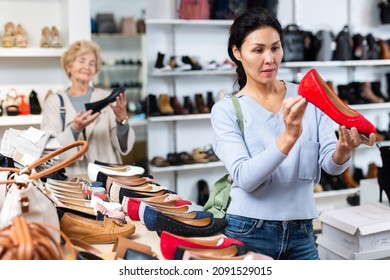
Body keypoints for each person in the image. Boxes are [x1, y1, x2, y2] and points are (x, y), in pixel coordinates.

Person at [210, 7, 376, 260]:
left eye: (275, 48)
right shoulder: (226, 111)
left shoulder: (308, 97)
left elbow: (331, 167)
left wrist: (344, 150)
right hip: (248, 230)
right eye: (258, 50)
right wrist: (288, 137)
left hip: (302, 231)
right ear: (237, 52)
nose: (270, 58)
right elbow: (245, 177)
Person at [41, 40, 135, 176]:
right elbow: (49, 148)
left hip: (107, 178)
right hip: (71, 181)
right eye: (81, 61)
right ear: (69, 65)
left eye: (92, 63)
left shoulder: (106, 98)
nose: (87, 66)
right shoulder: (55, 102)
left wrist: (122, 121)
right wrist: (74, 130)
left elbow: (122, 145)